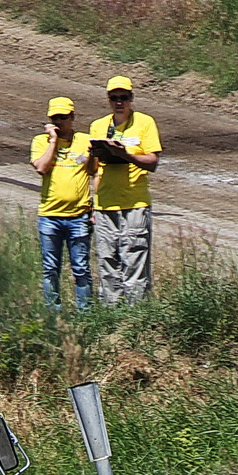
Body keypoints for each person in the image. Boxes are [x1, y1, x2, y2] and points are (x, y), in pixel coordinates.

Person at [86, 76, 162, 305]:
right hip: (106, 202)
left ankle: (136, 315)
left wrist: (124, 154)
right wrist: (94, 153)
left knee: (134, 259)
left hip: (134, 202)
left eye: (124, 98)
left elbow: (152, 162)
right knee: (108, 260)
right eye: (114, 98)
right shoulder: (99, 125)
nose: (119, 102)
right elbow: (92, 170)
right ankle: (112, 315)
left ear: (131, 98)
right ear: (108, 100)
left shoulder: (145, 122)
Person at [30, 96, 95, 309]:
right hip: (50, 216)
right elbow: (41, 167)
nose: (59, 122)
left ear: (73, 117)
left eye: (63, 117)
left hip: (79, 216)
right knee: (50, 268)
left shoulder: (86, 140)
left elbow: (95, 171)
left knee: (81, 268)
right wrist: (53, 141)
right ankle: (53, 315)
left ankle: (85, 313)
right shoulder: (41, 141)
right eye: (55, 118)